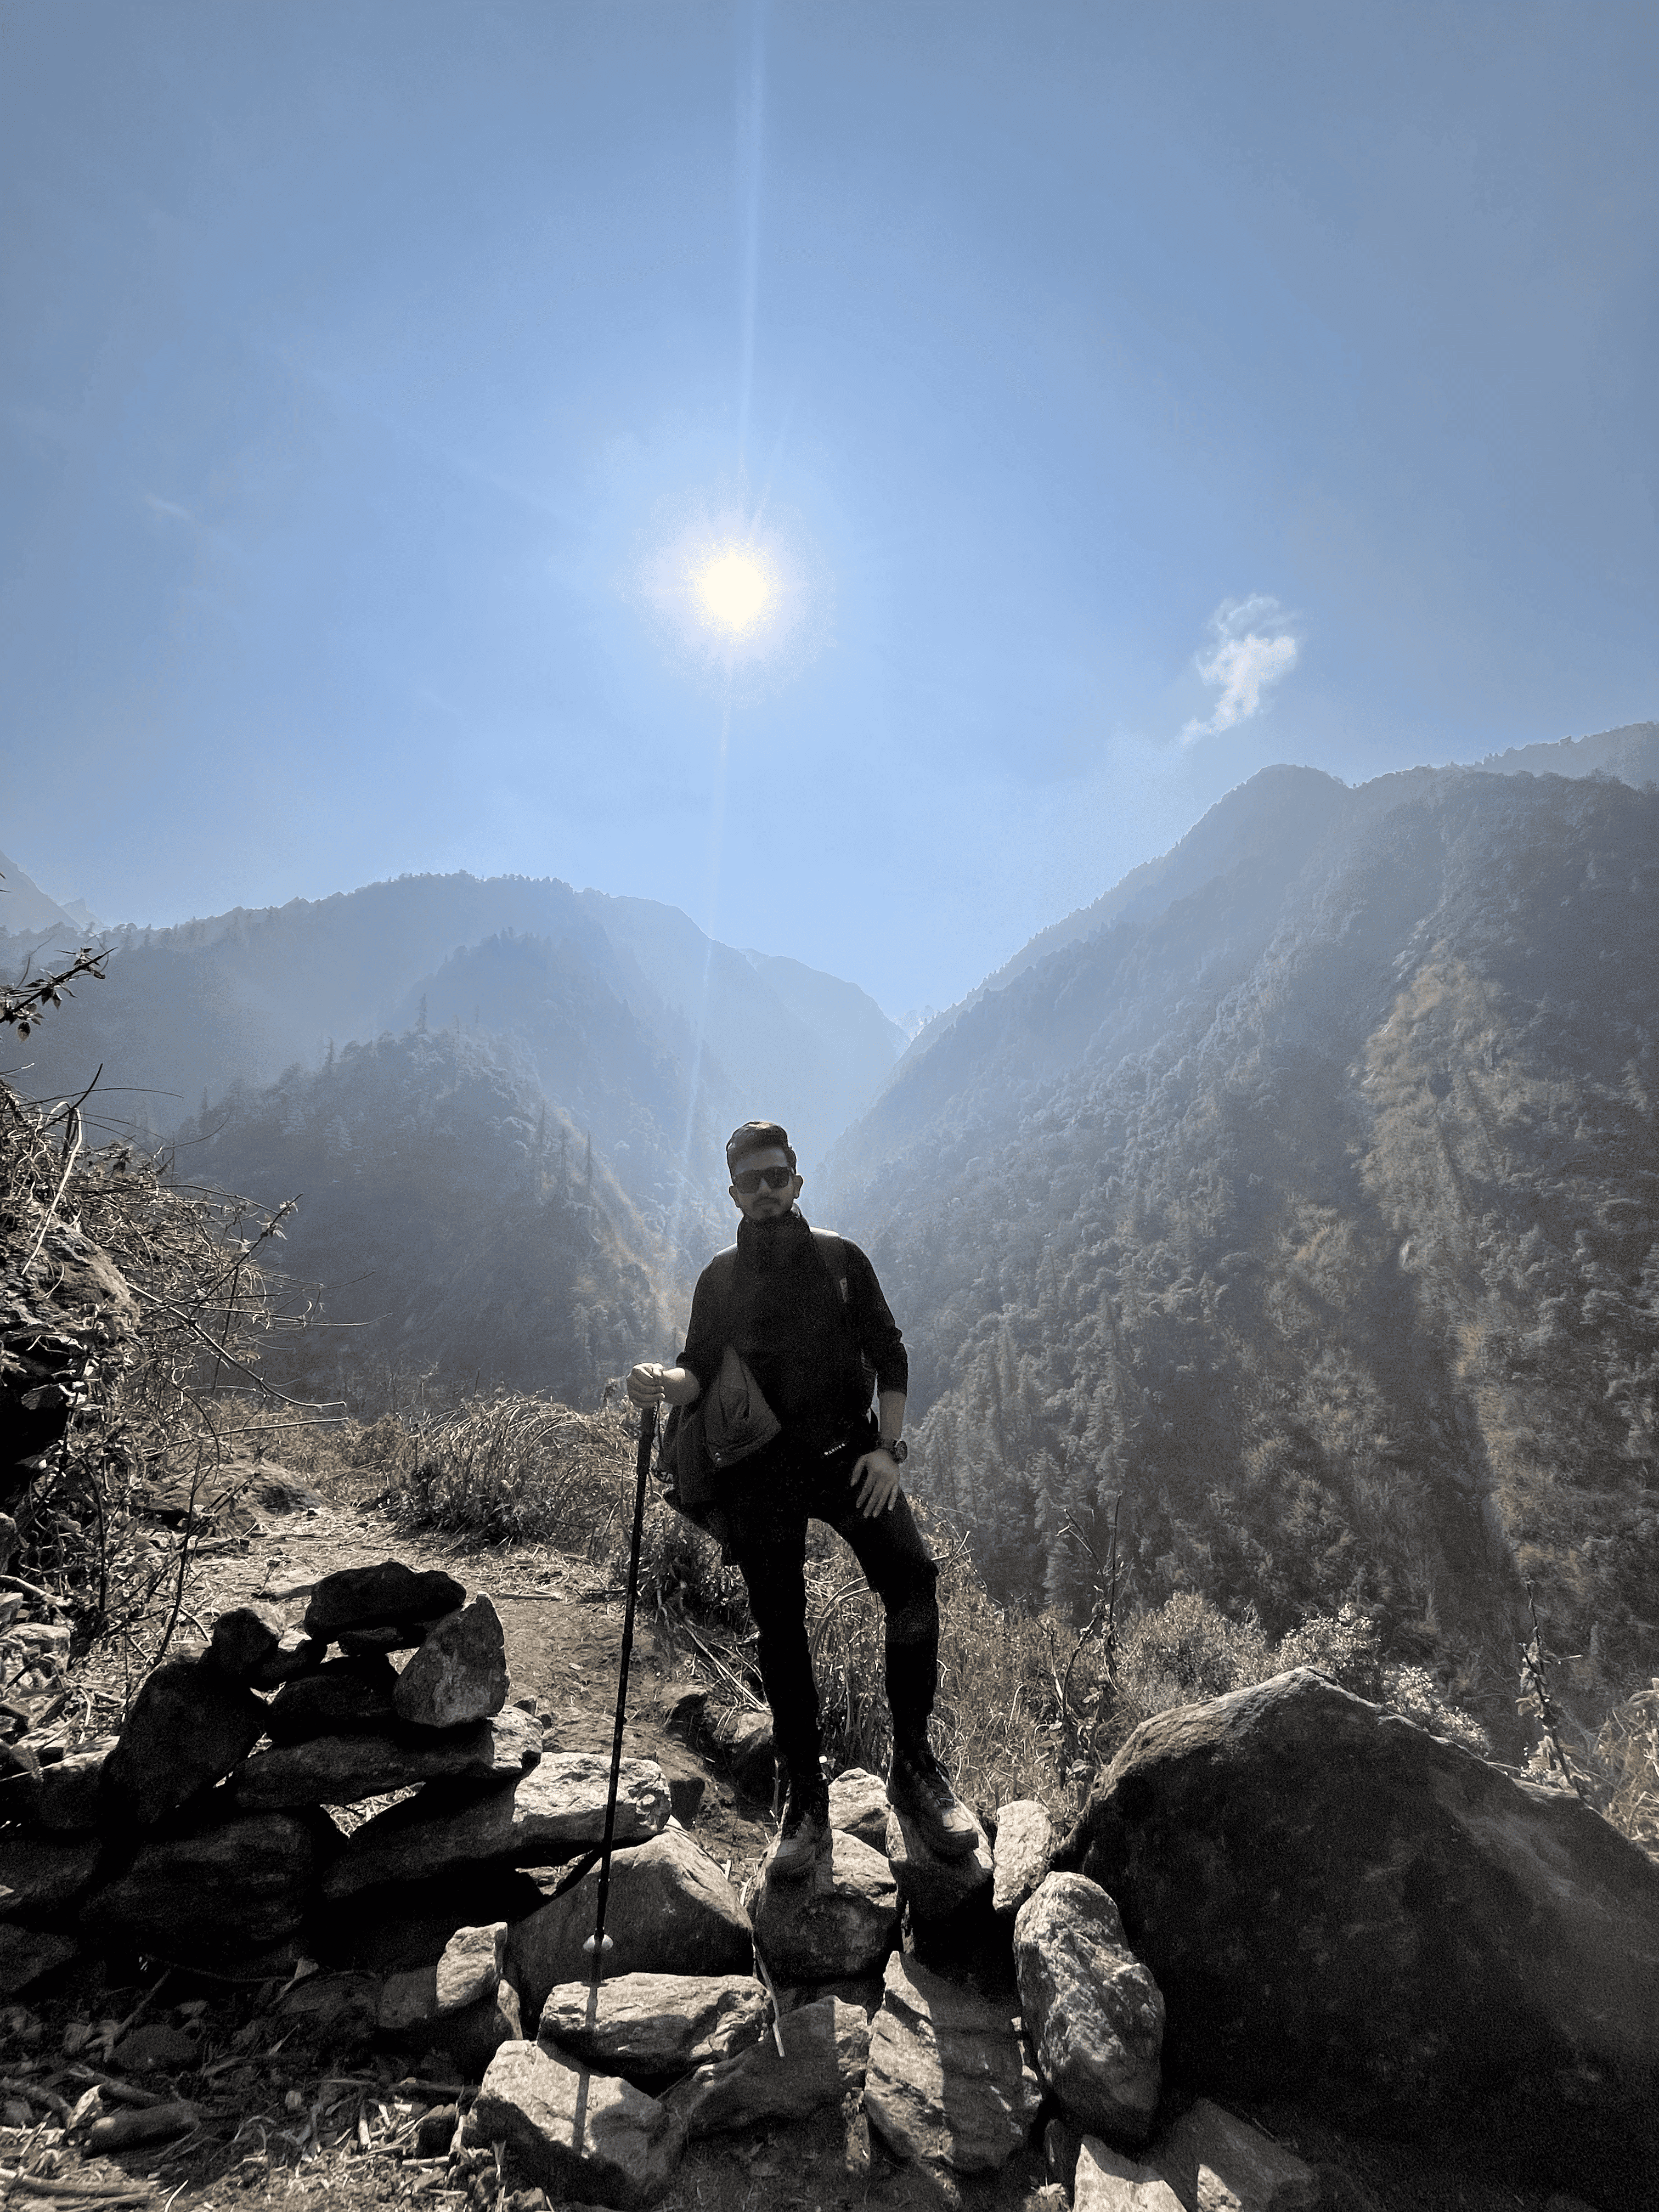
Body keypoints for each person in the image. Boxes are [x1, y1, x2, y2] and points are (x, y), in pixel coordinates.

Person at [628, 1119, 978, 1881]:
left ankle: (914, 1769)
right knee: (782, 1630)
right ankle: (805, 1799)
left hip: (849, 1458)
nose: (765, 1190)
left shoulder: (841, 1261)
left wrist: (889, 1450)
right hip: (761, 1475)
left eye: (777, 1176)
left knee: (913, 1582)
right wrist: (663, 1384)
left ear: (798, 1180)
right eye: (750, 1180)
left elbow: (891, 1354)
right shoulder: (719, 1279)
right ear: (732, 1192)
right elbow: (696, 1367)